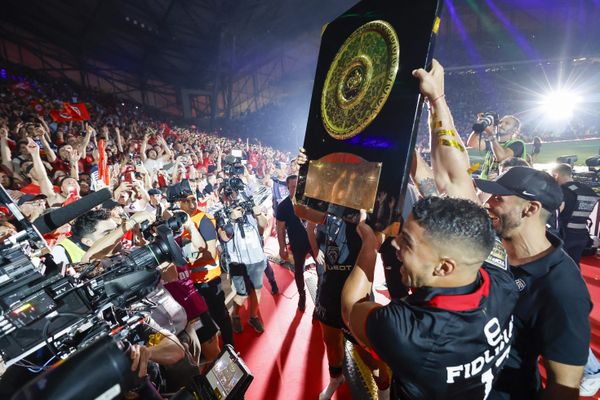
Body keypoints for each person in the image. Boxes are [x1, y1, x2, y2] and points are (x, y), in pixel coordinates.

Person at [415, 59, 591, 399]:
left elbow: (564, 387)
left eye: (499, 198)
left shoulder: (561, 287)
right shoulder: (489, 240)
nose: (488, 202)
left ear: (531, 208)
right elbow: (451, 179)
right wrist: (436, 101)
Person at [342, 197, 518, 399]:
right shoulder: (502, 281)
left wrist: (369, 245)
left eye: (407, 242)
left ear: (444, 267)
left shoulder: (411, 331)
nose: (395, 244)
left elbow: (351, 309)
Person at [217, 188, 269, 334]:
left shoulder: (248, 208)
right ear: (225, 197)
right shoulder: (221, 214)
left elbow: (263, 226)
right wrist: (232, 221)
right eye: (230, 194)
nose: (234, 196)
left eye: (235, 193)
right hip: (238, 262)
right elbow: (224, 238)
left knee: (257, 290)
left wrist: (258, 213)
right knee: (242, 294)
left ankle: (253, 317)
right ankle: (235, 315)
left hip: (257, 259)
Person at [551, 163, 599, 266]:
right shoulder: (588, 190)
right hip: (582, 235)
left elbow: (556, 213)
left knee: (559, 267)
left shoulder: (562, 191)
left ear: (556, 175)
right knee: (574, 265)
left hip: (564, 235)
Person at [276, 174, 311, 310]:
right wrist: (282, 247)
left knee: (321, 270)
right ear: (288, 188)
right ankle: (302, 296)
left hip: (314, 242)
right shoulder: (283, 206)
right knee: (299, 271)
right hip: (297, 244)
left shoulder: (310, 201)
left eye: (299, 186)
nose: (297, 189)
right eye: (294, 187)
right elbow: (280, 228)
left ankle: (320, 296)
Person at [467, 113, 525, 180]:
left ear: (515, 130)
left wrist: (490, 134)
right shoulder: (492, 142)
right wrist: (480, 126)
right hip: (485, 183)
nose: (501, 125)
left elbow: (502, 157)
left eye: (507, 123)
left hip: (504, 186)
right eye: (500, 122)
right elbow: (472, 143)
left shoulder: (518, 143)